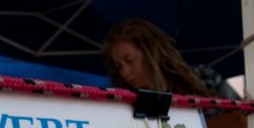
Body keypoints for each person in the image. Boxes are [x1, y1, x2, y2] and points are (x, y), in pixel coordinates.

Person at [102, 18, 239, 99]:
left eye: (130, 60)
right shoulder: (126, 102)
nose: (125, 73)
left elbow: (239, 117)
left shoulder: (203, 78)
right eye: (119, 66)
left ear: (151, 53)